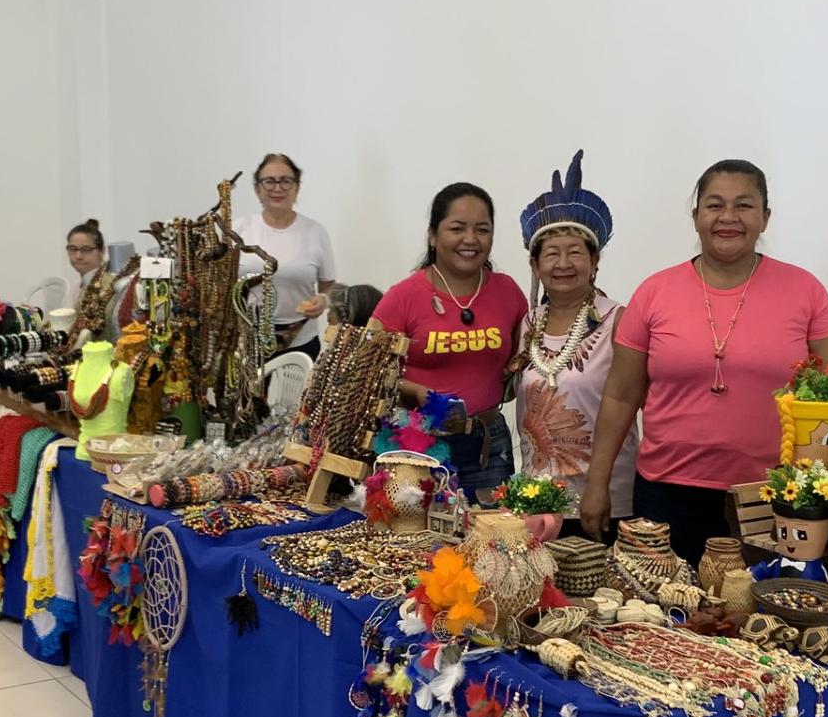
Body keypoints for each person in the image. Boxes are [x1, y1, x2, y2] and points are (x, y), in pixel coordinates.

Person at [580, 159, 828, 563]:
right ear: (696, 216)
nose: (728, 217)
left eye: (744, 205)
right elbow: (620, 396)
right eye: (715, 205)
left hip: (775, 494)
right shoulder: (654, 292)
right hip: (667, 492)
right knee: (665, 600)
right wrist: (596, 483)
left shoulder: (805, 291)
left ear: (765, 218)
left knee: (765, 601)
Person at [370, 182, 527, 500]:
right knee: (414, 531)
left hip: (487, 446)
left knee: (492, 529)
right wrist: (416, 392)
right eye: (457, 228)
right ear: (432, 235)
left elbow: (521, 358)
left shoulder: (507, 291)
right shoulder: (402, 297)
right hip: (417, 447)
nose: (470, 239)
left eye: (482, 229)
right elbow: (369, 372)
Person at [514, 151, 636, 530]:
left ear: (594, 260)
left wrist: (599, 489)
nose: (563, 264)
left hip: (603, 498)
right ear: (535, 265)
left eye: (575, 253)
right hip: (537, 499)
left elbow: (628, 401)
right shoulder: (529, 323)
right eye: (551, 254)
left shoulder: (619, 321)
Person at [233, 153, 339, 360]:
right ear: (257, 189)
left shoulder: (315, 232)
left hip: (300, 341)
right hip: (245, 341)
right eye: (269, 181)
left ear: (296, 187)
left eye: (286, 181)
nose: (278, 188)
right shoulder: (238, 230)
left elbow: (329, 286)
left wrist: (323, 300)